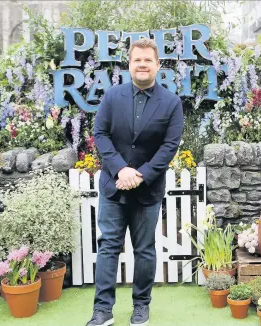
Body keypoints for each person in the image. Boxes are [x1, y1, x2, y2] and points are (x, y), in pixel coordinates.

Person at [87, 39, 184, 326]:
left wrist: (140, 174)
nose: (142, 64)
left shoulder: (171, 102)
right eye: (137, 60)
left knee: (144, 250)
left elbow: (170, 146)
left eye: (147, 60)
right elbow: (100, 135)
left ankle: (141, 307)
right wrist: (120, 170)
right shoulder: (111, 97)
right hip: (112, 187)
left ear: (157, 65)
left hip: (148, 190)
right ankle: (102, 310)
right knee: (108, 247)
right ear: (129, 64)